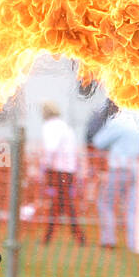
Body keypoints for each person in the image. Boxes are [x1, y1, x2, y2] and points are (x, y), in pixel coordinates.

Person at [92, 101, 139, 250]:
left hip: (118, 169)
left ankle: (108, 241)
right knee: (131, 209)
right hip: (135, 170)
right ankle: (134, 243)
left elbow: (98, 142)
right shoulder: (138, 123)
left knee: (105, 203)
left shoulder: (118, 122)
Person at [39, 101, 86, 245]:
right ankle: (50, 237)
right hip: (69, 170)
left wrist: (44, 165)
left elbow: (50, 148)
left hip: (58, 170)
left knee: (64, 203)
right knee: (60, 203)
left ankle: (78, 237)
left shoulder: (49, 127)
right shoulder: (65, 127)